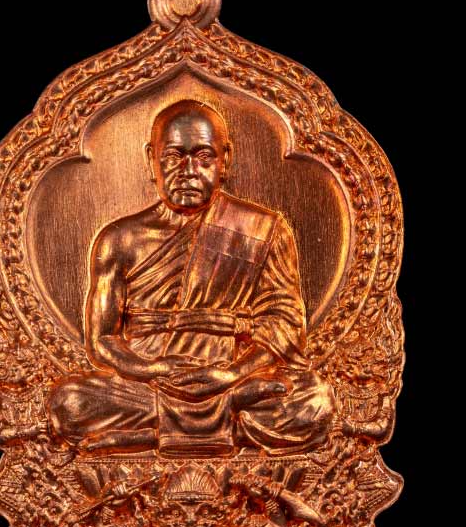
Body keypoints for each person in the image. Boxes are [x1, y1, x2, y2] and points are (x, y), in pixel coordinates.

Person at [48, 99, 335, 457]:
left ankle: (150, 434)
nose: (188, 171)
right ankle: (224, 423)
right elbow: (102, 340)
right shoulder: (119, 239)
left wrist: (231, 375)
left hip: (232, 377)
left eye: (203, 157)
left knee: (315, 401)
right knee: (69, 402)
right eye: (173, 157)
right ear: (151, 159)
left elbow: (286, 326)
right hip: (151, 383)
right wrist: (151, 369)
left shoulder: (264, 230)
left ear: (225, 160)